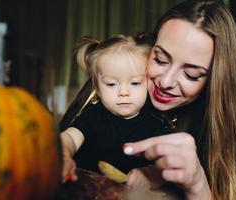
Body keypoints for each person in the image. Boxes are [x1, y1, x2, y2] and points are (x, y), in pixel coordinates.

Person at [60, 1, 236, 199]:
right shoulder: (112, 82)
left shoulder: (214, 133)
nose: (165, 82)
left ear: (215, 82)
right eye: (160, 59)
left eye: (191, 74)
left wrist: (198, 187)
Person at [60, 34, 169, 189]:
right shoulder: (93, 116)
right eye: (111, 84)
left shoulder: (156, 123)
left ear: (149, 84)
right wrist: (63, 155)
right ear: (98, 88)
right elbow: (70, 137)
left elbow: (168, 164)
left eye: (135, 83)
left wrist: (152, 175)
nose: (124, 92)